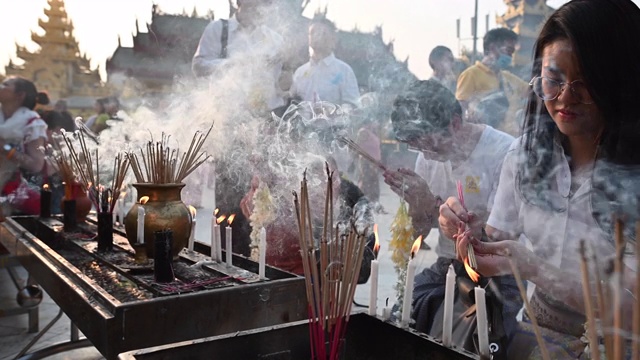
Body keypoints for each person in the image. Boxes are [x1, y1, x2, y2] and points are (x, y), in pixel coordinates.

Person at [440, 1, 640, 358]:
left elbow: (632, 306)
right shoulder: (524, 157)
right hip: (536, 336)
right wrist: (470, 231)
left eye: (587, 81)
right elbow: (501, 241)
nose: (565, 97)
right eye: (554, 79)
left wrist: (534, 268)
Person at [382, 79, 521, 340]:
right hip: (447, 266)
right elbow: (419, 234)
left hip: (497, 271)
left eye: (428, 143)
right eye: (416, 145)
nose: (424, 152)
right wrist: (417, 206)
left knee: (476, 340)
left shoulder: (504, 153)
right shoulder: (427, 156)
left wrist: (435, 205)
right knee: (399, 324)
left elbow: (496, 237)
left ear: (455, 123)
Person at [240, 156, 375, 279]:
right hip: (277, 277)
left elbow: (363, 271)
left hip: (321, 285)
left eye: (332, 179)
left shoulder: (351, 199)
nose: (324, 187)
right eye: (317, 180)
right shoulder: (288, 199)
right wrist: (257, 204)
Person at [192, 0, 285, 113]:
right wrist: (236, 63)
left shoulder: (276, 40)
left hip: (263, 117)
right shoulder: (218, 29)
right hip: (224, 113)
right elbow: (198, 67)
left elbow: (278, 85)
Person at [455, 28, 528, 135]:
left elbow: (530, 91)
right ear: (492, 48)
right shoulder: (471, 75)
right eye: (508, 51)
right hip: (486, 141)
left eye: (512, 53)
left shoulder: (507, 77)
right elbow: (460, 111)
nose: (510, 57)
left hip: (510, 140)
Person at [0, 76, 48, 215]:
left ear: (20, 95)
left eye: (6, 85)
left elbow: (36, 164)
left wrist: (6, 149)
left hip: (10, 192)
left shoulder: (32, 123)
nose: (1, 87)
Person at [290, 17, 360, 107]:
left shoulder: (344, 71)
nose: (316, 36)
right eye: (312, 33)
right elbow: (292, 103)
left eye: (322, 33)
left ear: (333, 39)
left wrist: (332, 112)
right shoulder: (300, 72)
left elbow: (353, 106)